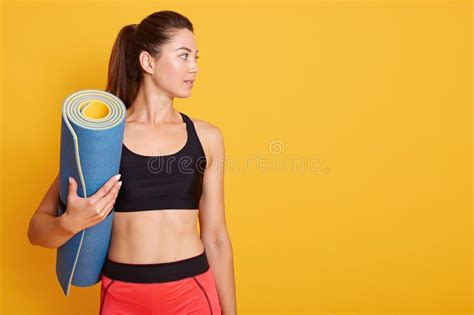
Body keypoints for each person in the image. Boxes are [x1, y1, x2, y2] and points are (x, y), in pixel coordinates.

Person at [27, 10, 237, 315]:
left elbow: (216, 237)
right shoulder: (102, 139)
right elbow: (36, 231)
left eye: (196, 57)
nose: (195, 67)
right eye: (183, 56)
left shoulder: (207, 137)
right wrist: (69, 223)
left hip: (191, 291)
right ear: (148, 62)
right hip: (122, 295)